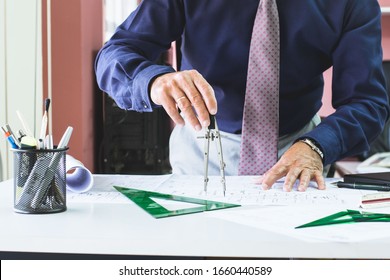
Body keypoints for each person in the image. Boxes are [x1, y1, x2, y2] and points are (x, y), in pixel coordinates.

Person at [95, 0, 389, 192]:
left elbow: (368, 102)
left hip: (300, 158)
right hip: (202, 151)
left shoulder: (352, 3)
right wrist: (154, 80)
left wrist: (316, 146)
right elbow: (115, 54)